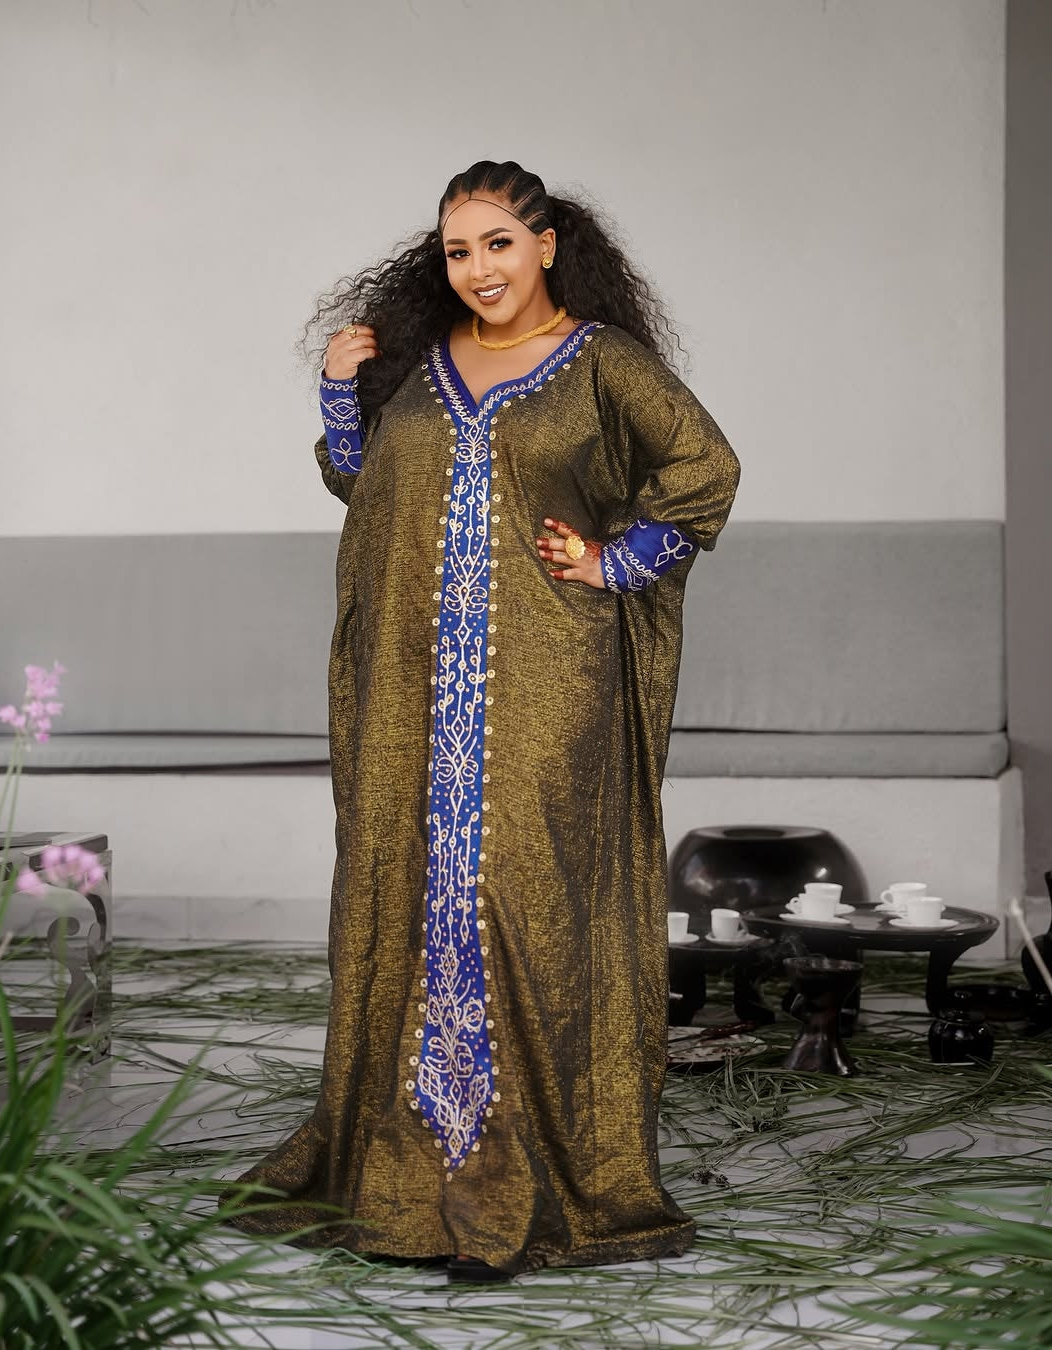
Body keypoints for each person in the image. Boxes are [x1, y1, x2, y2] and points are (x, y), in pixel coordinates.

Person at [227, 160, 740, 1283]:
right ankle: (412, 1185)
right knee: (415, 888)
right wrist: (335, 389)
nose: (479, 269)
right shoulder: (422, 370)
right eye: (459, 251)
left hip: (550, 686)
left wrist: (619, 561)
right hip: (413, 695)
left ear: (546, 243)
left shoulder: (603, 363)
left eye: (499, 243)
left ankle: (531, 1184)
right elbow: (370, 489)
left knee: (525, 901)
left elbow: (705, 469)